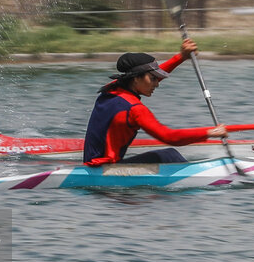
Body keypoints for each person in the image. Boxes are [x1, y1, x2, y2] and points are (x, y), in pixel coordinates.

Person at [83, 38, 227, 166]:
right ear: (135, 78)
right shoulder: (135, 109)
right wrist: (210, 132)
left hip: (93, 163)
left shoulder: (111, 88)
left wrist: (181, 57)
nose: (157, 84)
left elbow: (147, 73)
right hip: (105, 169)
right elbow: (169, 137)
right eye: (153, 79)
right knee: (169, 155)